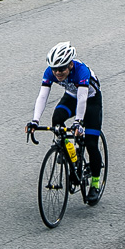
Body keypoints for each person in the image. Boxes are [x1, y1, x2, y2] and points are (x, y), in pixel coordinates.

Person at [26, 41, 103, 203]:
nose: (57, 73)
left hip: (90, 100)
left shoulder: (82, 71)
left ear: (70, 64)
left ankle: (95, 183)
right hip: (71, 97)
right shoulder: (51, 71)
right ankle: (69, 152)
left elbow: (83, 99)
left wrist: (78, 122)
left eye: (61, 69)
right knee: (57, 120)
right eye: (54, 69)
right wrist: (34, 120)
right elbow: (42, 96)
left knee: (90, 143)